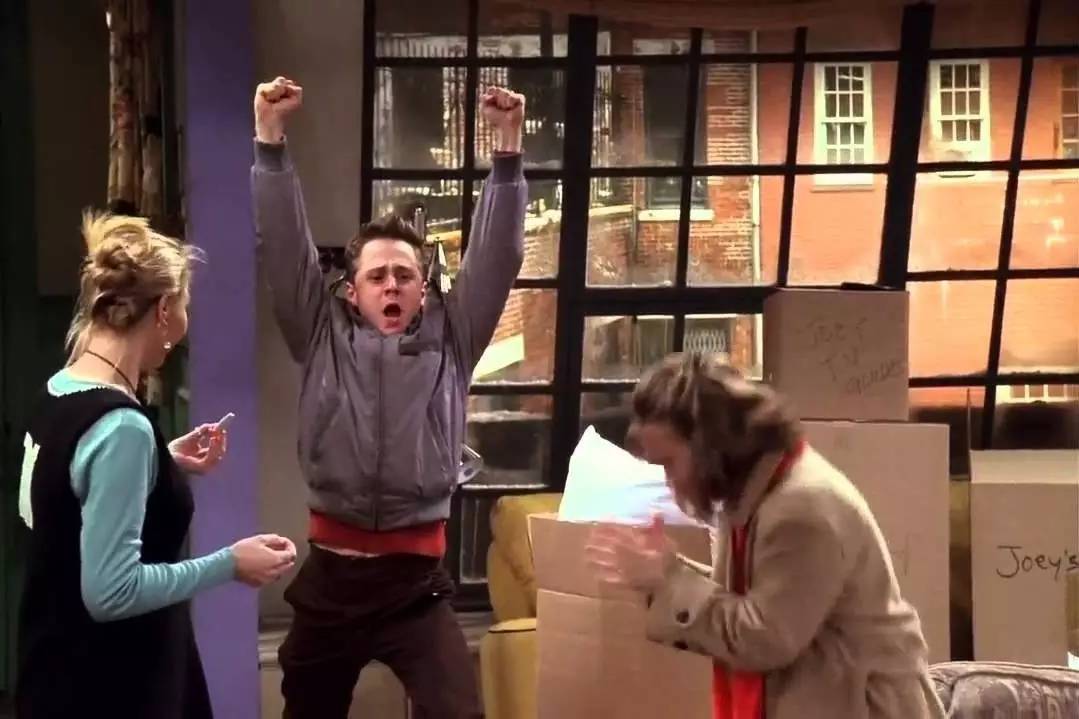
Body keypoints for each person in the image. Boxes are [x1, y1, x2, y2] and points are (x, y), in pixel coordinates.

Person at [251, 76, 526, 718]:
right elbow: (283, 248)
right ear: (352, 291)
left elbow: (497, 257)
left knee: (458, 711)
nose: (392, 285)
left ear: (424, 288)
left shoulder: (453, 336)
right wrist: (269, 139)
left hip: (414, 588)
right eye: (377, 276)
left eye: (405, 274)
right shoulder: (319, 331)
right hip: (331, 579)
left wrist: (509, 149)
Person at [16, 211, 298, 719]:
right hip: (112, 687)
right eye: (185, 306)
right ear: (164, 309)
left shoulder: (60, 390)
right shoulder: (120, 428)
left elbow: (67, 496)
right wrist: (230, 563)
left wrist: (160, 463)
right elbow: (111, 592)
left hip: (53, 671)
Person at [586, 352, 946, 719]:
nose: (669, 481)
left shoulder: (801, 509)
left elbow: (764, 638)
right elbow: (753, 597)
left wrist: (669, 581)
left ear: (710, 449)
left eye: (669, 463)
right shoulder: (756, 490)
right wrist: (662, 572)